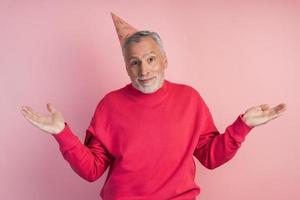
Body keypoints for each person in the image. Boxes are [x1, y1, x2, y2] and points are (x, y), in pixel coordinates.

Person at [20, 12, 287, 200]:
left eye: (150, 59)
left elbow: (211, 157)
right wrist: (61, 134)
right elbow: (92, 171)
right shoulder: (110, 105)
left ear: (164, 60)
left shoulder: (189, 99)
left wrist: (243, 126)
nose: (143, 70)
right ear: (126, 67)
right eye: (134, 62)